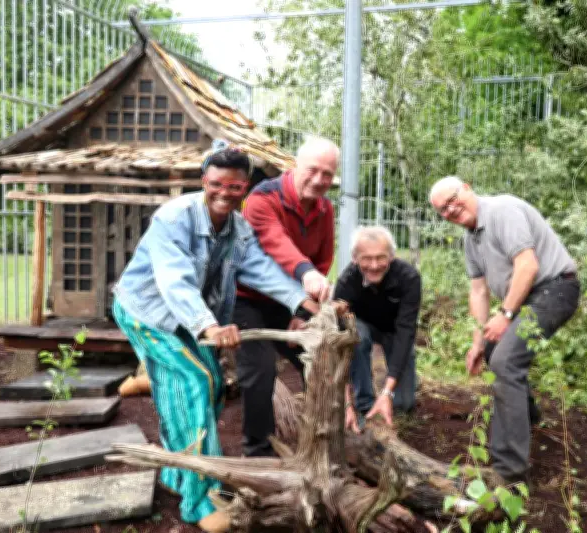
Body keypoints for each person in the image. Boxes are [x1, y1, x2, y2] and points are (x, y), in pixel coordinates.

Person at [112, 142, 318, 532]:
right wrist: (208, 326)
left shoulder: (239, 230)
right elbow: (175, 281)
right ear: (203, 181)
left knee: (213, 389)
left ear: (246, 189)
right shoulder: (174, 218)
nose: (225, 193)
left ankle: (178, 472)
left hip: (190, 320)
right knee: (194, 382)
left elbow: (260, 270)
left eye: (236, 187)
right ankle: (198, 496)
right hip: (148, 314)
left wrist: (300, 302)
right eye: (217, 184)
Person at [429, 176, 581, 487]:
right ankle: (527, 420)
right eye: (443, 210)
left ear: (468, 187)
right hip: (527, 296)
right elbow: (478, 292)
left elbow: (527, 266)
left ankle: (510, 470)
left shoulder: (502, 211)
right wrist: (478, 342)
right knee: (493, 352)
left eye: (453, 200)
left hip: (556, 289)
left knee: (506, 362)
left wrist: (506, 314)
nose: (451, 210)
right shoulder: (470, 238)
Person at [234, 136, 339, 457]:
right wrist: (306, 275)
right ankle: (257, 450)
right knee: (261, 371)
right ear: (294, 165)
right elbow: (274, 243)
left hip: (293, 302)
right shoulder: (262, 199)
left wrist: (304, 311)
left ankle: (324, 437)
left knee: (322, 359)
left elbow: (323, 258)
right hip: (248, 299)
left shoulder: (324, 208)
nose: (320, 180)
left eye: (327, 174)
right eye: (313, 171)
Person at [333, 226, 421, 432]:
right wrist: (346, 404)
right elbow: (340, 344)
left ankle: (392, 393)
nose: (374, 265)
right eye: (366, 258)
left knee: (404, 405)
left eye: (380, 258)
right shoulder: (347, 282)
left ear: (392, 256)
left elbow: (405, 332)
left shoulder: (409, 278)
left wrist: (387, 392)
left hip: (394, 331)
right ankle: (364, 405)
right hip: (363, 327)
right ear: (355, 258)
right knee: (357, 337)